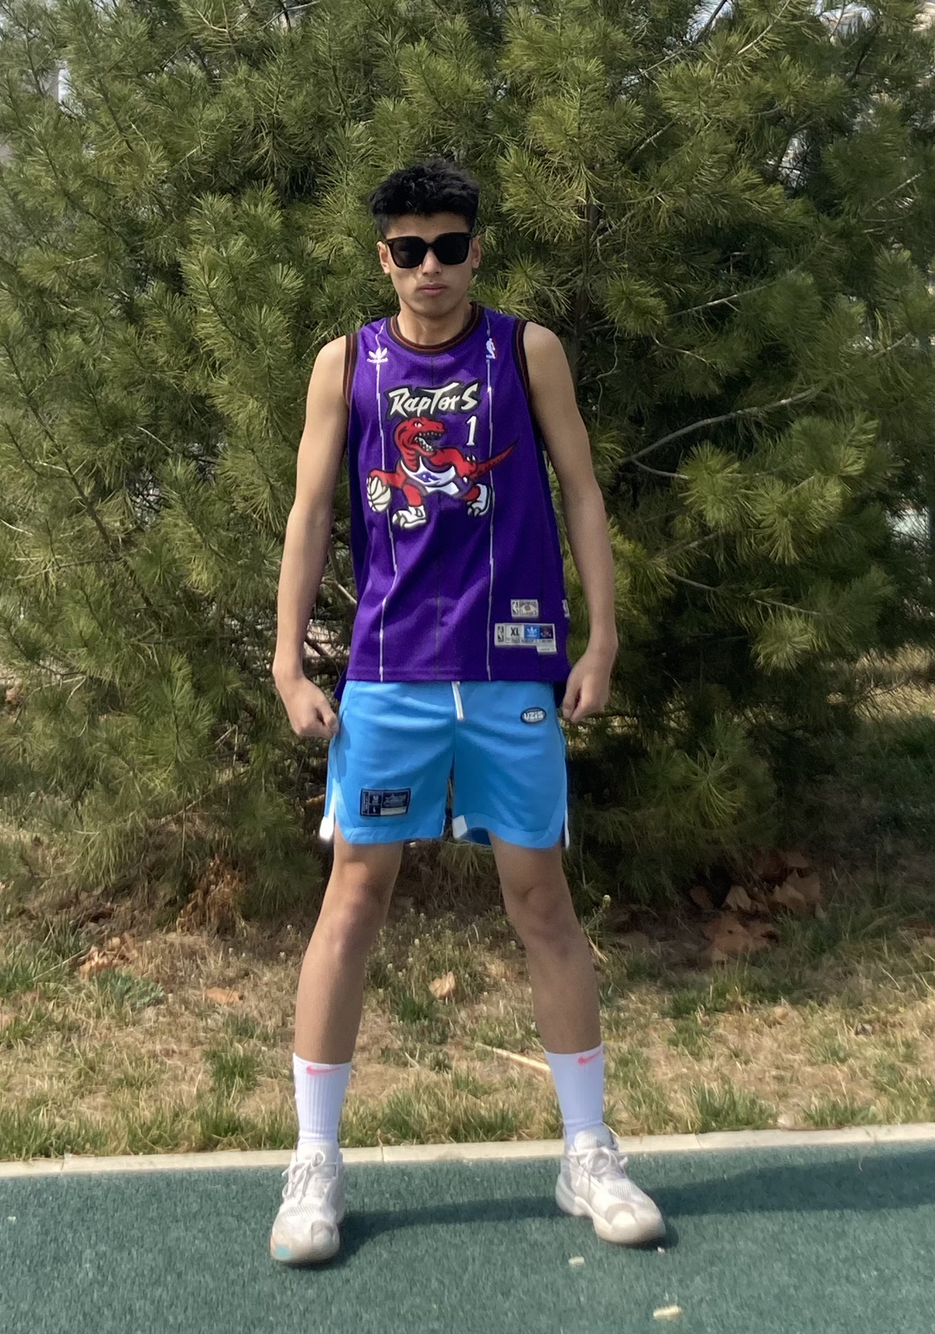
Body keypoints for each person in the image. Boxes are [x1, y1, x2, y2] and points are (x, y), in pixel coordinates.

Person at [269, 160, 666, 1265]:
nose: (430, 267)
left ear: (477, 251)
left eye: (449, 246)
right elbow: (310, 510)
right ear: (383, 259)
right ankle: (314, 1161)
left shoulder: (526, 351)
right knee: (354, 900)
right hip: (388, 675)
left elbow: (582, 491)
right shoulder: (346, 362)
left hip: (511, 671)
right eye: (409, 250)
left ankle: (586, 1152)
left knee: (542, 900)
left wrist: (601, 639)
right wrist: (288, 664)